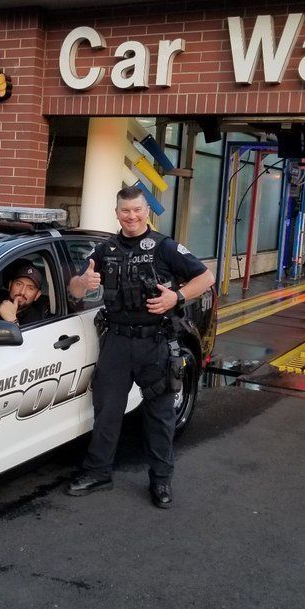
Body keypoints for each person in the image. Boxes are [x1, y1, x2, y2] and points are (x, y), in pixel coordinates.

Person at [66, 186, 215, 509]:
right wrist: (84, 283)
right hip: (117, 342)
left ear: (146, 211)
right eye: (124, 211)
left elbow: (206, 277)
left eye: (136, 210)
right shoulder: (105, 251)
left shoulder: (165, 248)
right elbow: (74, 288)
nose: (131, 217)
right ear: (116, 213)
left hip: (155, 342)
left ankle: (161, 481)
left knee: (159, 415)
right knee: (107, 412)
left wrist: (177, 297)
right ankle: (98, 471)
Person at [0, 260, 50, 327]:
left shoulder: (37, 320)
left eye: (30, 288)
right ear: (10, 285)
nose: (22, 292)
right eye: (19, 284)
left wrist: (12, 319)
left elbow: (28, 341)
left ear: (37, 295)